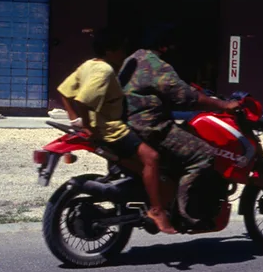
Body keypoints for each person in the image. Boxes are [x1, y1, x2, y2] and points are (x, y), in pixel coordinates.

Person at [56, 28, 175, 234]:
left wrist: (73, 119)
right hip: (110, 129)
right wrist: (86, 125)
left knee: (140, 163)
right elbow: (83, 100)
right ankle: (157, 211)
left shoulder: (88, 65)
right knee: (152, 158)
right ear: (110, 51)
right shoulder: (105, 71)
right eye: (121, 50)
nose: (124, 54)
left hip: (102, 127)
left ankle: (141, 193)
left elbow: (63, 91)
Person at [119, 25, 239, 227]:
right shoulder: (156, 66)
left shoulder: (132, 59)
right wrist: (223, 105)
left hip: (128, 126)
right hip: (152, 129)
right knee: (204, 154)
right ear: (164, 46)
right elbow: (187, 97)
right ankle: (186, 214)